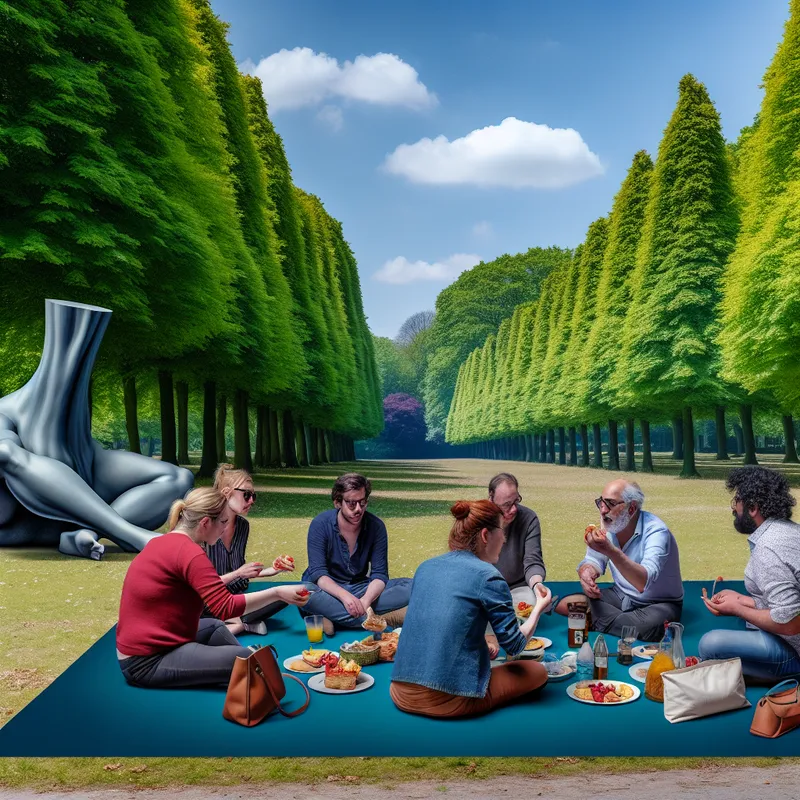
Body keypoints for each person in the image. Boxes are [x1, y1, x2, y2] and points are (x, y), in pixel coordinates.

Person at [116, 487, 308, 688]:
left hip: (156, 643)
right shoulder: (190, 553)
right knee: (250, 658)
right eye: (223, 522)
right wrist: (277, 592)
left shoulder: (166, 542)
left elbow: (212, 597)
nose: (225, 528)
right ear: (205, 522)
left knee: (214, 626)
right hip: (146, 661)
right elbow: (225, 607)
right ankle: (251, 668)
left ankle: (247, 673)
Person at [390, 499, 550, 719]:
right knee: (537, 672)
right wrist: (538, 609)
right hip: (447, 699)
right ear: (485, 535)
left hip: (399, 691)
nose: (504, 539)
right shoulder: (489, 576)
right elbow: (513, 645)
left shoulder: (425, 567)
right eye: (501, 532)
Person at [699, 466, 800, 681]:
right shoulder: (791, 531)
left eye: (736, 501)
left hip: (795, 651)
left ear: (753, 507)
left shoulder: (768, 548)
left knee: (711, 644)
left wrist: (737, 608)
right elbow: (791, 602)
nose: (733, 509)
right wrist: (743, 600)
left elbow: (790, 623)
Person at [555, 479, 683, 641]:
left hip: (659, 603)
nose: (602, 510)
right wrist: (586, 573)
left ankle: (600, 618)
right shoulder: (610, 524)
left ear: (631, 508)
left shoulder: (657, 531)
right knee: (564, 604)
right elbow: (593, 561)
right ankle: (620, 621)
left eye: (610, 503)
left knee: (650, 626)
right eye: (601, 502)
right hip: (621, 594)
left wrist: (610, 550)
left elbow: (642, 582)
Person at [300, 473, 412, 633]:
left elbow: (380, 575)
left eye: (363, 502)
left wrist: (365, 601)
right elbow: (319, 574)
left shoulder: (376, 526)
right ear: (337, 502)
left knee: (413, 585)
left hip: (360, 587)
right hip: (328, 589)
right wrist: (345, 597)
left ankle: (334, 617)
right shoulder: (320, 524)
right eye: (351, 504)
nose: (358, 509)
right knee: (304, 591)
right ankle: (382, 619)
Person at [201, 464, 296, 636]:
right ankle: (240, 623)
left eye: (253, 495)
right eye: (246, 495)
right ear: (226, 493)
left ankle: (236, 621)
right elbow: (202, 587)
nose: (251, 500)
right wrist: (238, 573)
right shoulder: (204, 528)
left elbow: (240, 572)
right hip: (210, 600)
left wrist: (271, 571)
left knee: (287, 595)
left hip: (237, 596)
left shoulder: (243, 526)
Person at [488, 473, 549, 607]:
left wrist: (537, 585)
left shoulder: (529, 518)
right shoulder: (477, 519)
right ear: (491, 499)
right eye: (507, 504)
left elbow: (533, 561)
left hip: (519, 588)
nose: (514, 509)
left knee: (529, 604)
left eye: (516, 501)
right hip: (485, 588)